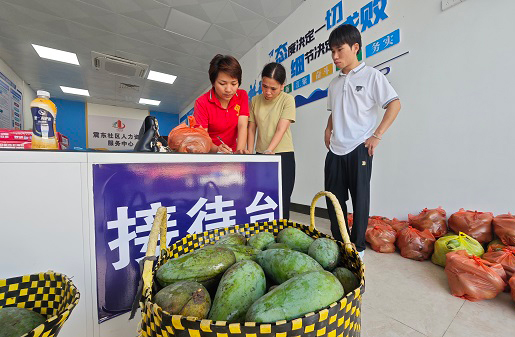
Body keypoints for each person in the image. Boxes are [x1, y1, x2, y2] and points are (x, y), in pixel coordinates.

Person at [325, 24, 401, 259]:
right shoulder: (334, 84)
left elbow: (394, 104)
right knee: (334, 202)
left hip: (359, 148)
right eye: (332, 51)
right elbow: (334, 110)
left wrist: (376, 135)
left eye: (340, 50)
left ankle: (357, 248)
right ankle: (341, 243)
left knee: (360, 200)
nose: (335, 56)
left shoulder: (372, 76)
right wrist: (328, 128)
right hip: (335, 150)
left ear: (355, 47)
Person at [247, 63, 296, 219]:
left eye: (273, 88)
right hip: (261, 155)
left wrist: (270, 150)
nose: (268, 92)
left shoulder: (288, 100)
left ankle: (282, 235)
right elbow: (251, 128)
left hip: (283, 155)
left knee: (282, 198)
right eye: (264, 86)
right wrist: (249, 152)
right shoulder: (255, 100)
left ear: (282, 86)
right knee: (261, 197)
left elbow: (281, 128)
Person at [194, 54, 249, 154]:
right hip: (211, 154)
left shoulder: (242, 95)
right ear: (213, 82)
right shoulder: (202, 103)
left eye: (233, 84)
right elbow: (203, 138)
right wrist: (217, 149)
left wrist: (239, 153)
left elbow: (242, 126)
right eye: (222, 84)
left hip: (233, 153)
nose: (228, 89)